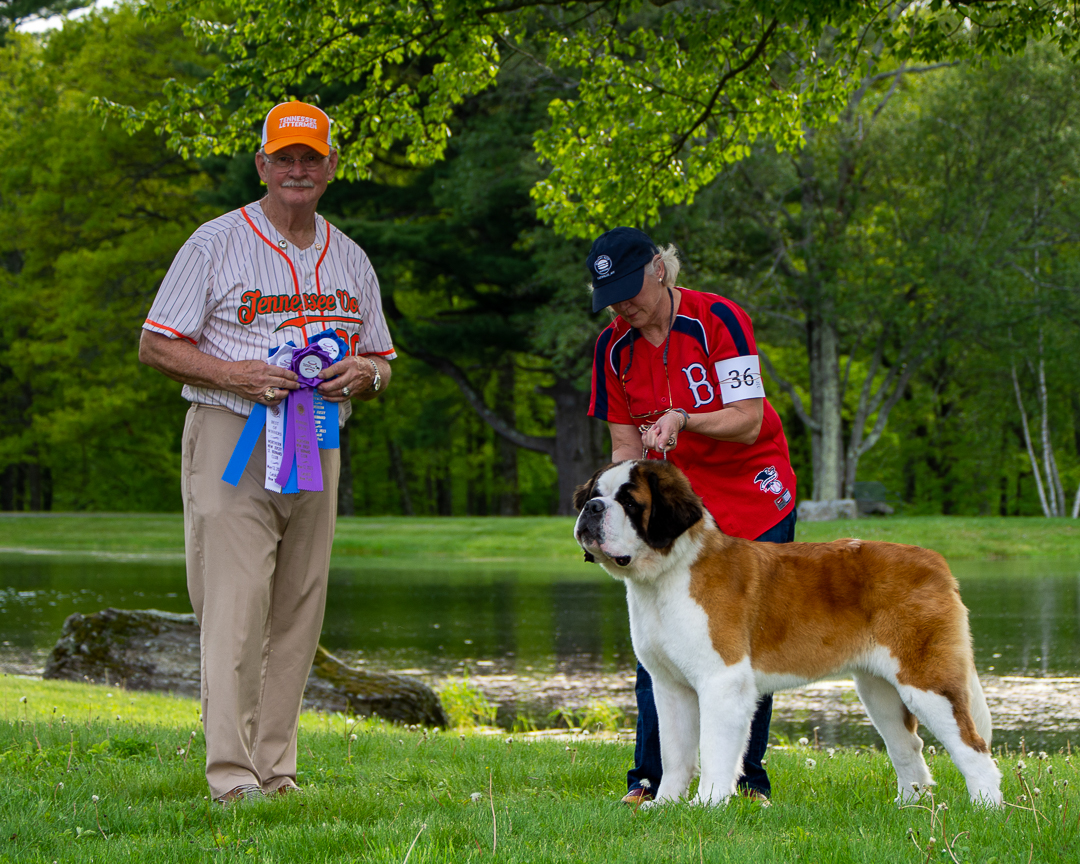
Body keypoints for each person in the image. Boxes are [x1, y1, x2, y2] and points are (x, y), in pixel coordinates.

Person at [139, 101, 395, 804]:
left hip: (320, 439)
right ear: (261, 165)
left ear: (331, 167)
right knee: (235, 607)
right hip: (234, 435)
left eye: (311, 158)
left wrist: (366, 375)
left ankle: (276, 773)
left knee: (298, 611)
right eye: (284, 157)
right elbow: (155, 343)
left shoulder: (351, 257)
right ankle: (230, 777)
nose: (297, 170)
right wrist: (237, 373)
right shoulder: (214, 244)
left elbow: (383, 359)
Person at [585, 227, 797, 805]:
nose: (624, 306)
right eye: (611, 297)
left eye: (631, 288)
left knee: (743, 643)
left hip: (751, 492)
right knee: (656, 638)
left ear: (659, 268)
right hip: (678, 510)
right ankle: (651, 780)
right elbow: (626, 450)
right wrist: (619, 519)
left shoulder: (718, 319)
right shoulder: (613, 348)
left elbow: (749, 419)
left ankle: (745, 781)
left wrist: (685, 418)